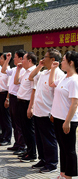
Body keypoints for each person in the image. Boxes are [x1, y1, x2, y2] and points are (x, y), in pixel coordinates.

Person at [28, 49, 64, 173]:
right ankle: (43, 159)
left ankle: (52, 163)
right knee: (40, 139)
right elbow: (30, 77)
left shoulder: (59, 75)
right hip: (38, 111)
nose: (43, 58)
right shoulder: (43, 73)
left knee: (49, 139)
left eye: (45, 57)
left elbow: (58, 96)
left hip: (48, 112)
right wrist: (39, 65)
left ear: (53, 60)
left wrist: (54, 112)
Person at [49, 51, 78, 179]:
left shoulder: (74, 80)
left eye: (64, 60)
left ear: (71, 63)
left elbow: (75, 103)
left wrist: (67, 122)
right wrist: (53, 69)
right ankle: (63, 173)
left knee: (69, 149)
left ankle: (69, 176)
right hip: (58, 118)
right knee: (63, 147)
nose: (61, 62)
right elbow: (51, 84)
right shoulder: (64, 77)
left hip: (67, 120)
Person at [1, 50, 26, 155]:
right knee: (14, 123)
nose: (14, 59)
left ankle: (22, 145)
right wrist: (7, 60)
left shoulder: (24, 70)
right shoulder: (15, 69)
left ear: (21, 58)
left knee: (19, 123)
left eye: (15, 57)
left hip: (18, 98)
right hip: (11, 97)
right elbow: (3, 71)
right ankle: (17, 143)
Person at [14, 52, 38, 162]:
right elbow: (16, 81)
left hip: (27, 104)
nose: (21, 61)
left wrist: (31, 107)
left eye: (23, 59)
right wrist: (18, 69)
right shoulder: (25, 72)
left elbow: (34, 90)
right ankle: (28, 150)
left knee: (29, 130)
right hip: (20, 102)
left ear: (29, 61)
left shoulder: (34, 72)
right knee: (24, 129)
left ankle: (32, 153)